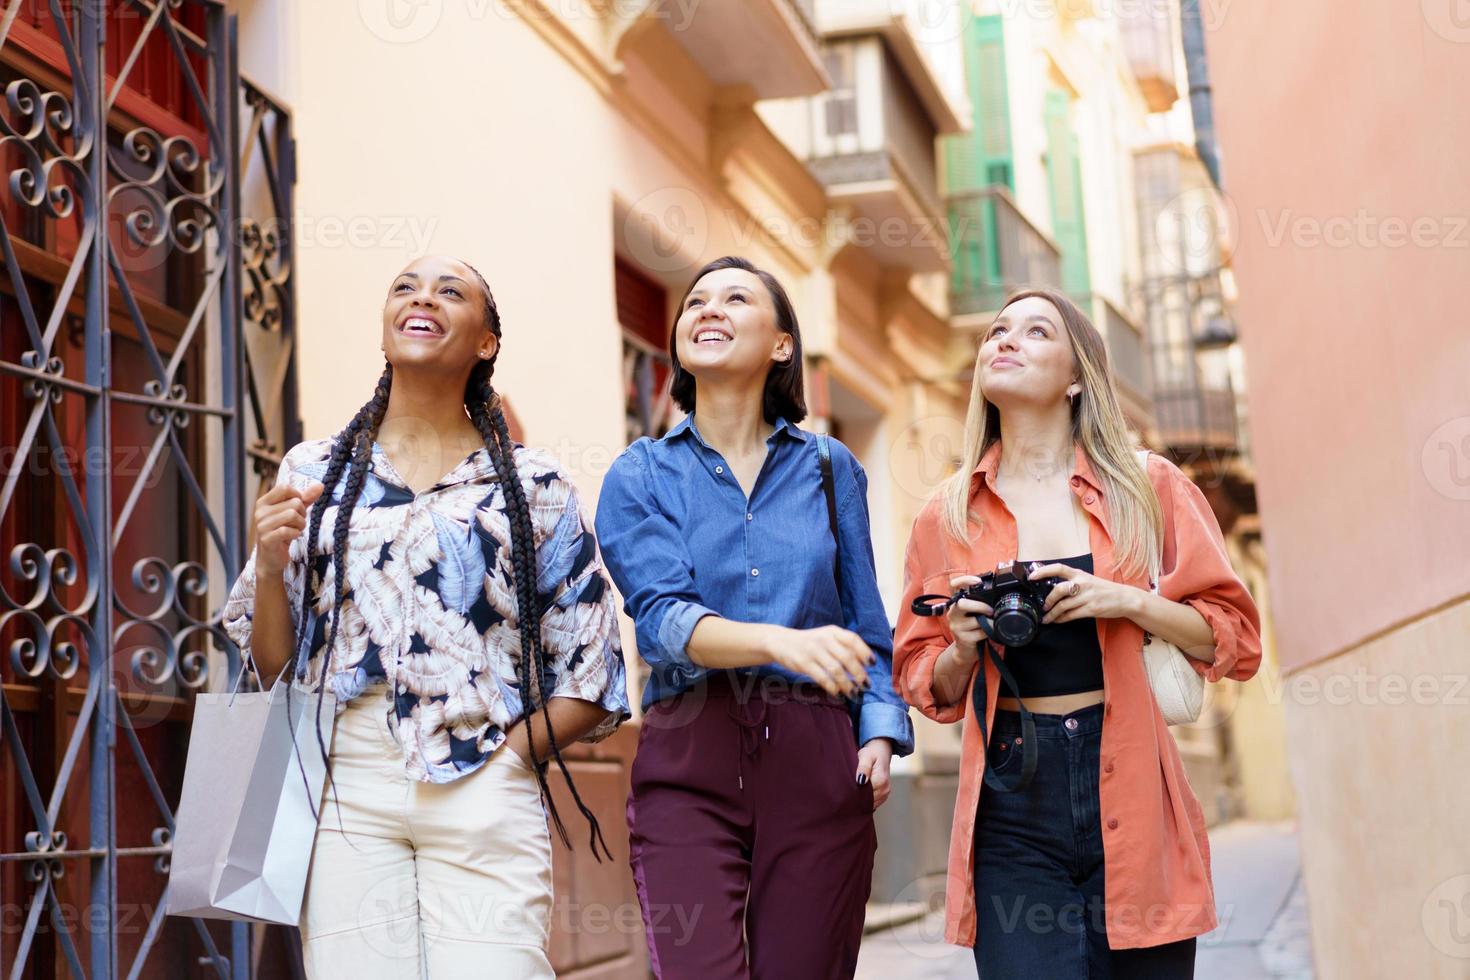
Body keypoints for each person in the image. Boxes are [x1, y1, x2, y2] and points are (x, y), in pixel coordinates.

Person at [222, 254, 629, 978]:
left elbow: (592, 664)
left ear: (487, 342)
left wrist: (510, 762)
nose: (423, 298)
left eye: (451, 291)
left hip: (483, 777)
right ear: (386, 331)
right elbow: (277, 667)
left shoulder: (533, 485)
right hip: (346, 781)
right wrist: (271, 559)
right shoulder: (313, 472)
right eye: (405, 287)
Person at [892, 288, 1261, 978]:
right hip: (1013, 797)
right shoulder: (946, 517)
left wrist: (1126, 601)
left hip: (1132, 782)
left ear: (1074, 379)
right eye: (997, 331)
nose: (1004, 340)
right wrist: (965, 644)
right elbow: (921, 678)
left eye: (1036, 332)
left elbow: (1234, 640)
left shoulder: (1148, 488)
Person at [595, 256, 914, 979]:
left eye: (736, 298)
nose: (708, 309)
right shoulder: (639, 474)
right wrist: (781, 641)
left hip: (817, 752)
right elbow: (665, 622)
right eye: (696, 301)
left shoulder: (832, 468)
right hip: (688, 750)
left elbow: (868, 622)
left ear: (781, 344)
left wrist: (881, 732)